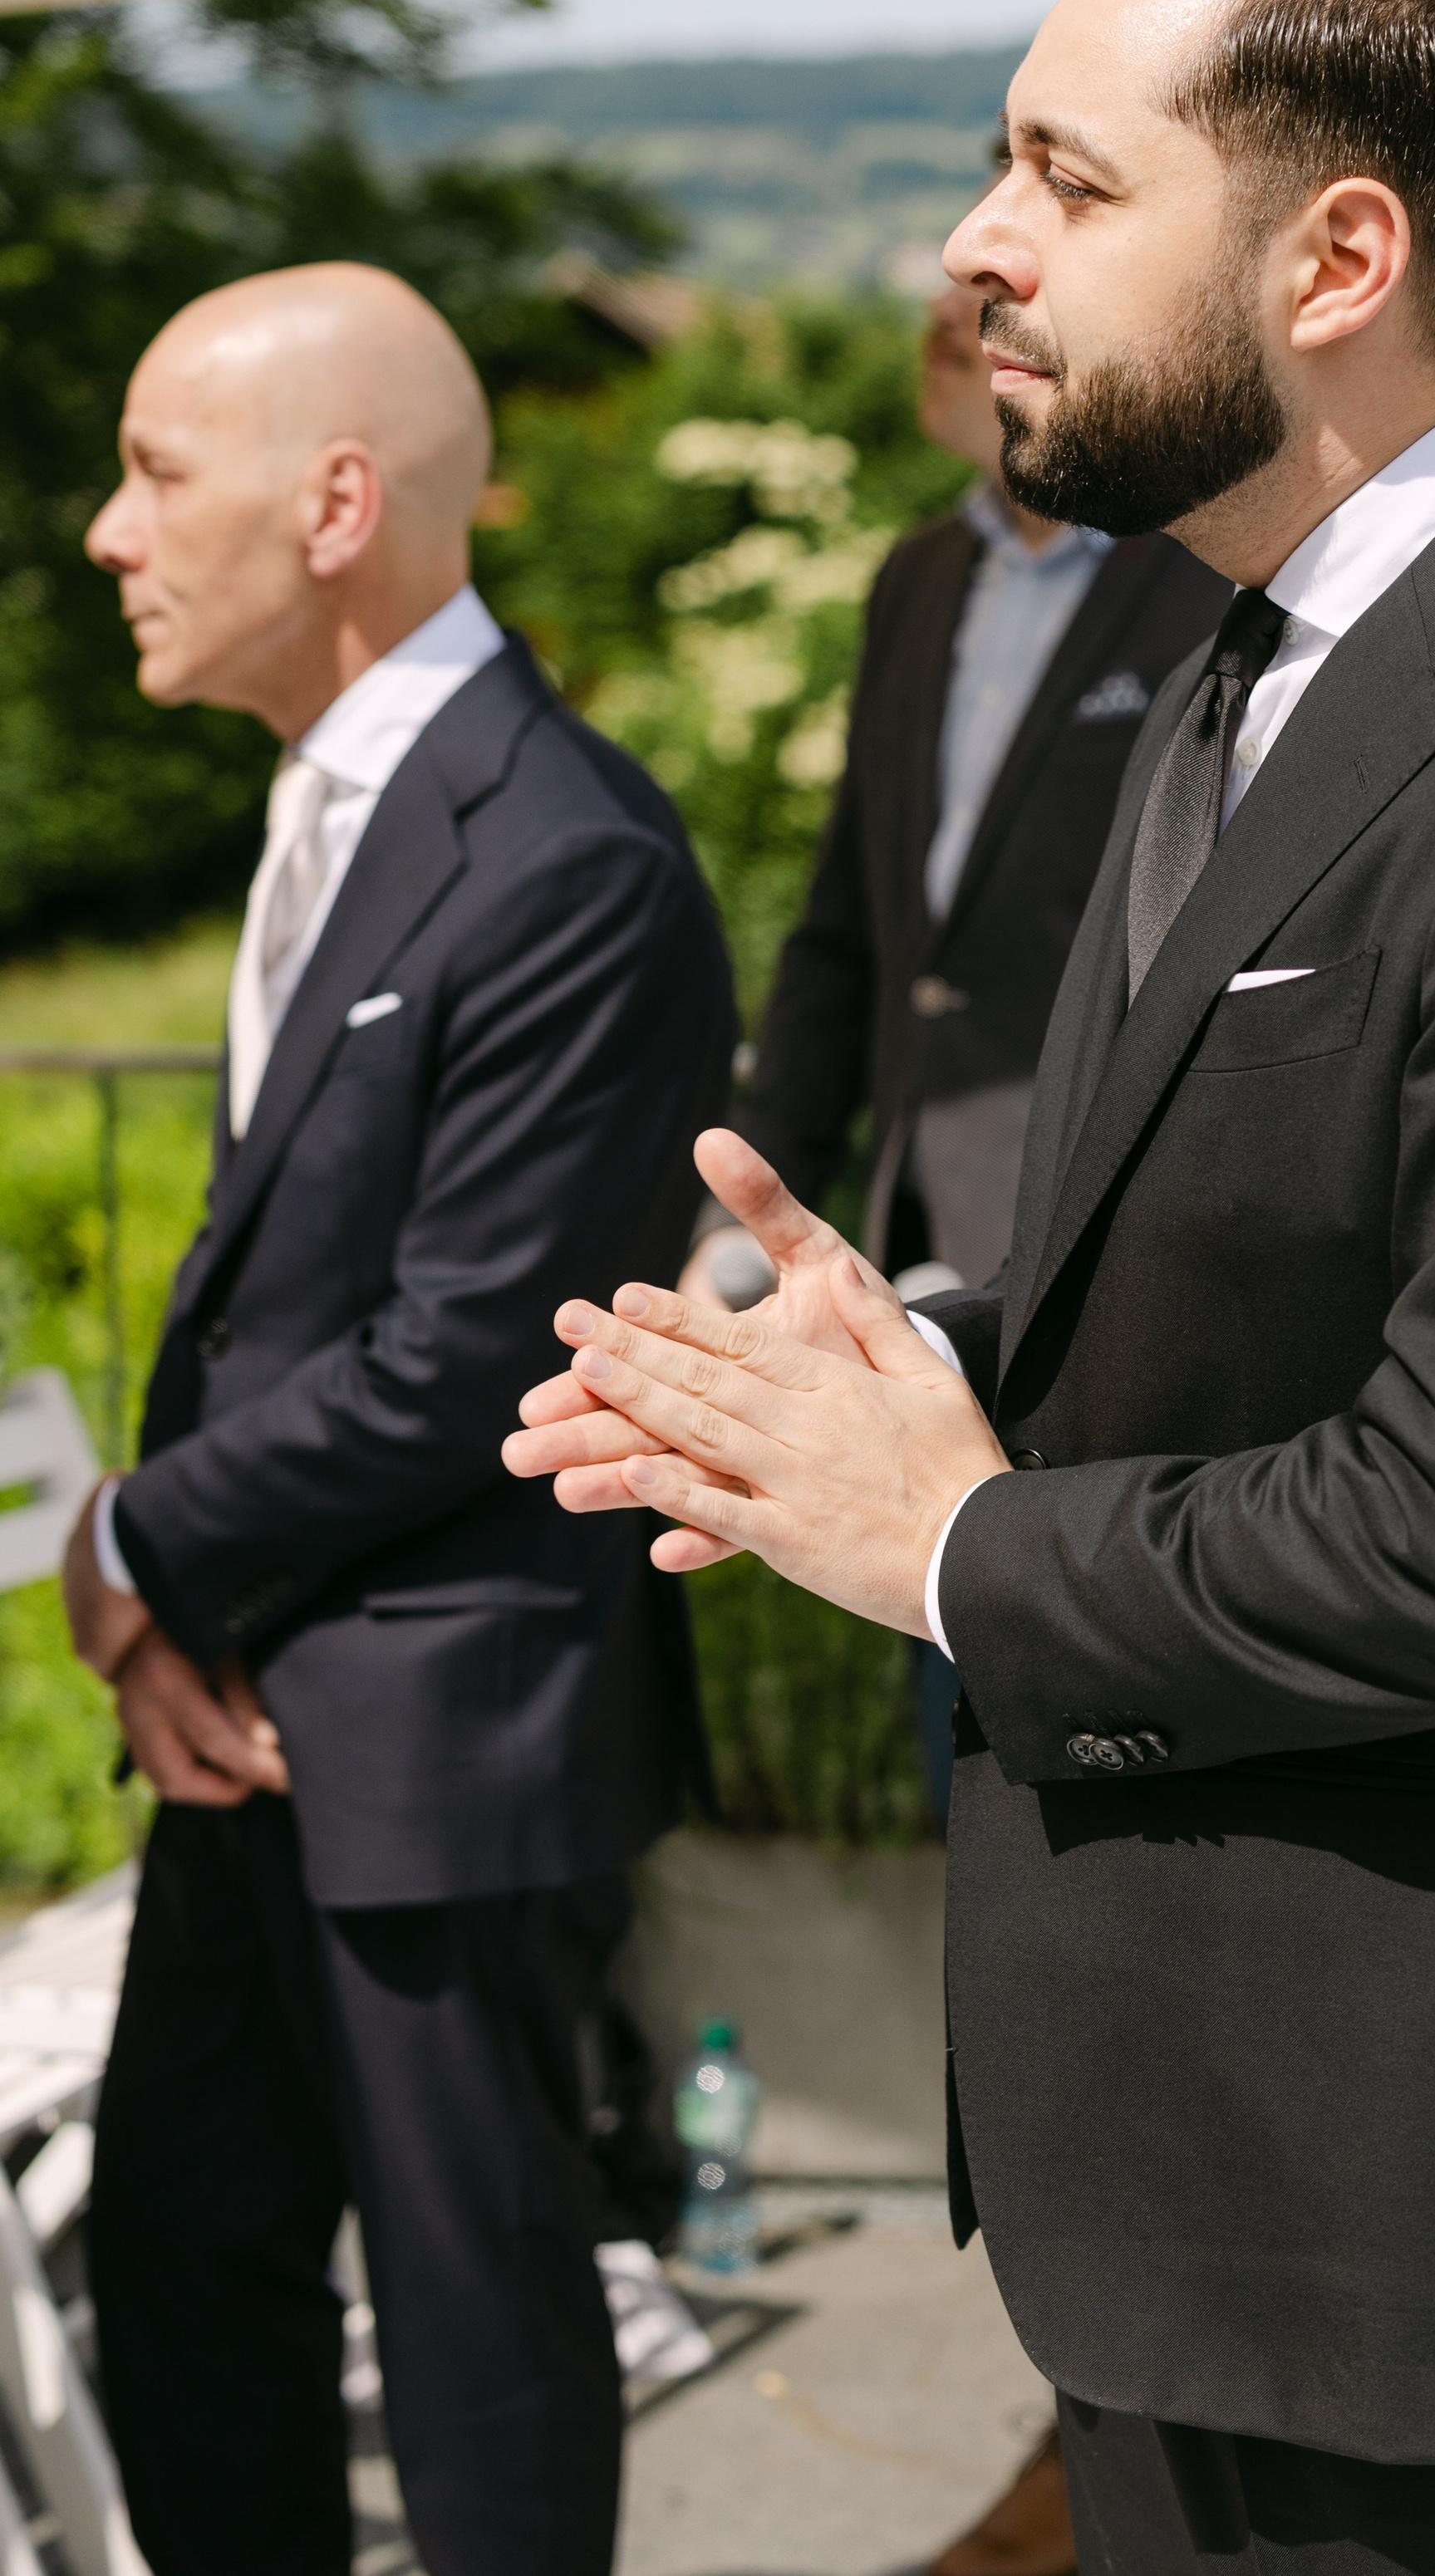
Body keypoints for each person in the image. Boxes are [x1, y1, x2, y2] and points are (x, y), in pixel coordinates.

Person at [509, 0, 1435, 2576]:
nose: (971, 248)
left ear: (1337, 251)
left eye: (1062, 176)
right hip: (1205, 2209)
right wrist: (867, 1378)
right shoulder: (1250, 664)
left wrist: (954, 1542)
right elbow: (1245, 1270)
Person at [65, 263, 735, 2576]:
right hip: (255, 1714)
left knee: (481, 2348)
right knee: (177, 2264)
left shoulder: (569, 853)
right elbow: (284, 1298)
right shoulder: (331, 797)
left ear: (336, 502)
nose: (103, 531)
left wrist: (127, 1544)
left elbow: (469, 1348)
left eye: (156, 470)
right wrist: (174, 1623)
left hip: (447, 1732)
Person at [686, 263, 1226, 1818]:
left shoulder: (1193, 574)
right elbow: (851, 936)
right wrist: (737, 1222)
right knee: (956, 1715)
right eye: (935, 330)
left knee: (1079, 1712)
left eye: (970, 327)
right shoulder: (918, 579)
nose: (949, 359)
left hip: (1096, 1238)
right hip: (912, 1242)